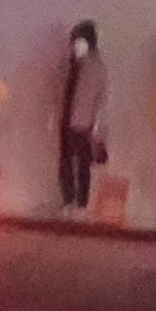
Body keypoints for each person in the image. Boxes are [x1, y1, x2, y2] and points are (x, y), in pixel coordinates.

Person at [55, 21, 109, 215]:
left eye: (80, 42)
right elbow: (61, 92)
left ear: (89, 43)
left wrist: (96, 123)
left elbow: (101, 98)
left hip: (85, 123)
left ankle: (82, 204)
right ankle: (68, 200)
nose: (75, 45)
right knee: (65, 161)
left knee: (83, 164)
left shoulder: (96, 67)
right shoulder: (69, 65)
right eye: (74, 42)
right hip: (67, 119)